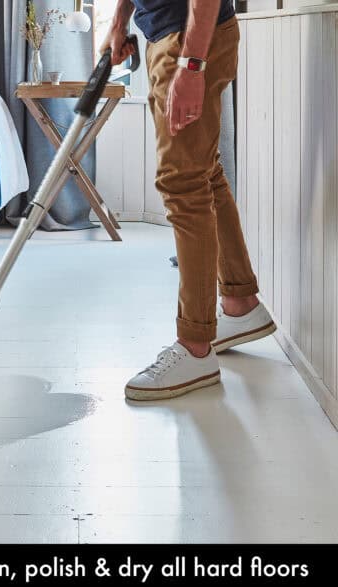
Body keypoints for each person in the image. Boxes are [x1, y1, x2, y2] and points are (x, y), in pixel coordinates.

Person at [101, 1, 276, 401]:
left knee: (183, 185)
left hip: (191, 39)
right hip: (174, 35)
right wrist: (119, 21)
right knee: (203, 174)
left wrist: (191, 64)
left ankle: (195, 347)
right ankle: (239, 301)